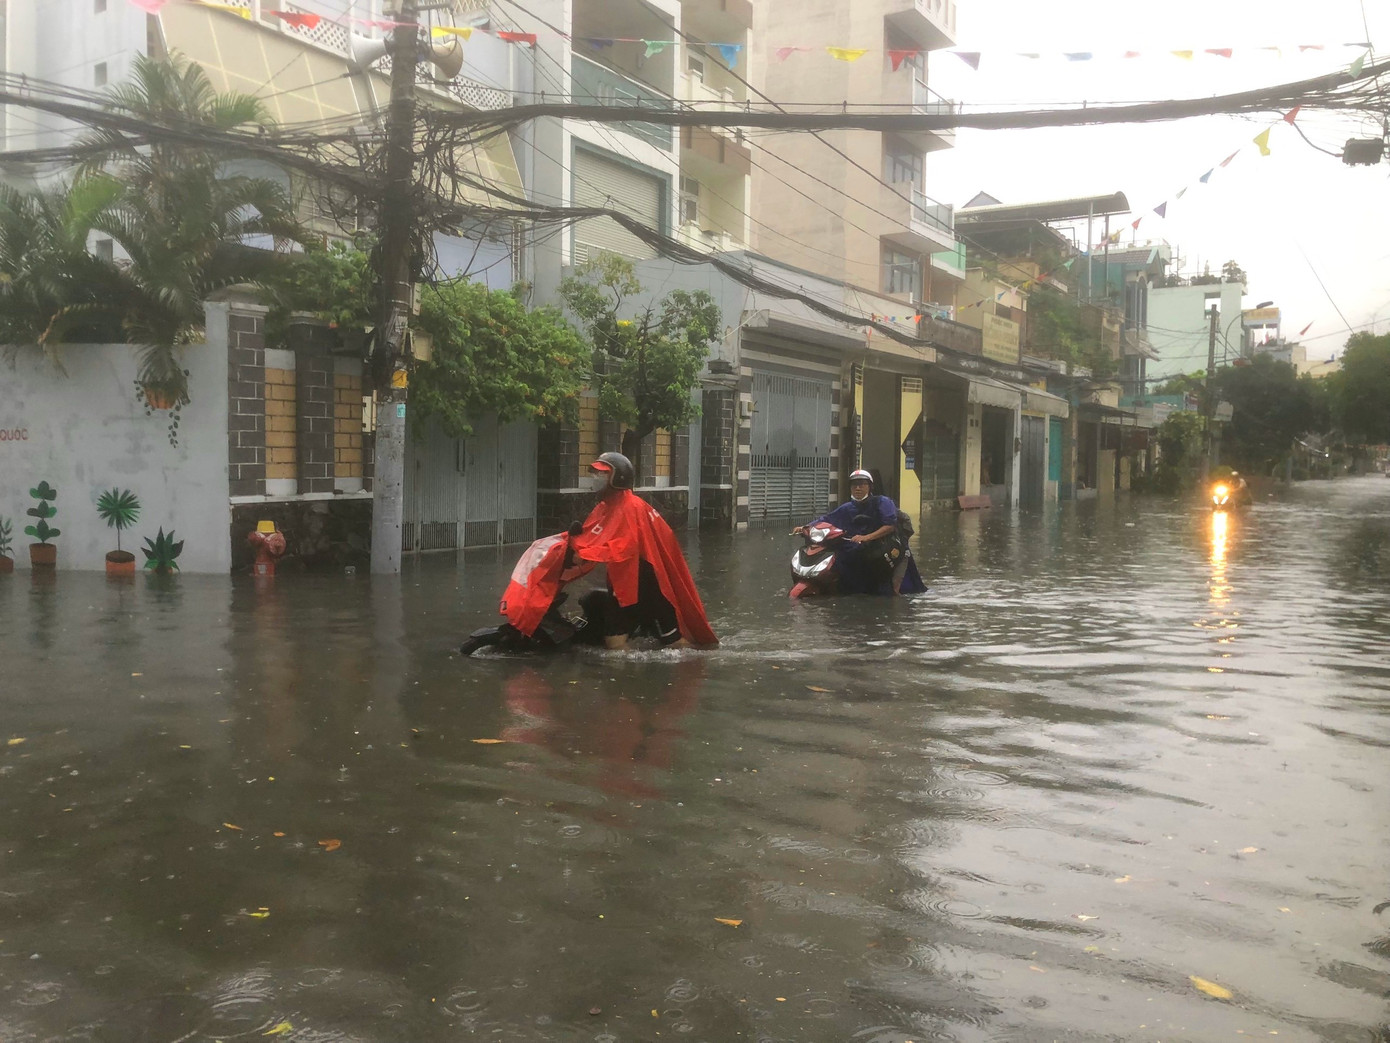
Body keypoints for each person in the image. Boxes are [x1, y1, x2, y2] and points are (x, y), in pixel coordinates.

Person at [568, 452, 718, 650]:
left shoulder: (631, 507)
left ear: (617, 478)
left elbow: (625, 545)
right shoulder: (605, 507)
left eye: (602, 475)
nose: (596, 479)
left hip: (647, 583)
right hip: (621, 582)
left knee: (674, 643)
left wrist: (588, 554)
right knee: (614, 644)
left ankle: (698, 665)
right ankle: (629, 678)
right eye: (596, 474)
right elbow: (591, 535)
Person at [794, 468, 926, 594]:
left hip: (889, 553)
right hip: (861, 552)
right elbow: (826, 519)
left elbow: (890, 526)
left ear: (869, 487)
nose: (858, 488)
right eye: (854, 485)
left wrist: (867, 537)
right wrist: (805, 527)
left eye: (862, 484)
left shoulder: (883, 502)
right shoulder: (846, 508)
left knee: (891, 592)